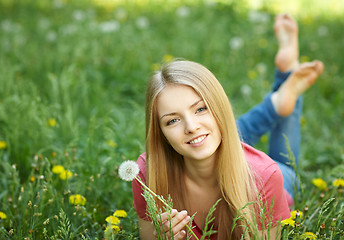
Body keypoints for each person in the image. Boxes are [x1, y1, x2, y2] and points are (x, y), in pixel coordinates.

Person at [131, 14, 324, 240]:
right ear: (160, 133)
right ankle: (278, 99)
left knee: (284, 165)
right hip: (213, 147)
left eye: (201, 108)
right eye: (172, 120)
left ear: (220, 106)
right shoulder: (148, 175)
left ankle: (287, 79)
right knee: (212, 133)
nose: (190, 126)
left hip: (268, 175)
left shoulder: (265, 177)